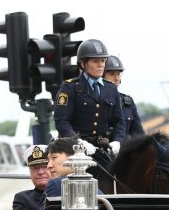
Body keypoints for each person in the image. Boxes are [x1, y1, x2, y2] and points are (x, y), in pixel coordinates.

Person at [53, 39, 125, 167]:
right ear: (82, 64)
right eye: (95, 61)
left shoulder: (111, 88)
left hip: (102, 150)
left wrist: (117, 141)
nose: (101, 65)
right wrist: (78, 141)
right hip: (74, 151)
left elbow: (119, 120)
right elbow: (62, 121)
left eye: (103, 61)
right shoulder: (69, 87)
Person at [29, 137, 79, 210]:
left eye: (54, 158)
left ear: (73, 157)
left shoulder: (56, 184)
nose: (49, 165)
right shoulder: (96, 186)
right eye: (49, 160)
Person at [103, 55, 145, 140]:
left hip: (123, 151)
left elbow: (139, 135)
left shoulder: (128, 103)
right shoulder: (94, 100)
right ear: (102, 76)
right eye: (112, 74)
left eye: (118, 74)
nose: (117, 78)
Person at [12, 145, 51, 210]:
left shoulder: (65, 194)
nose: (40, 172)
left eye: (45, 166)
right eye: (35, 168)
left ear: (52, 167)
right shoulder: (22, 199)